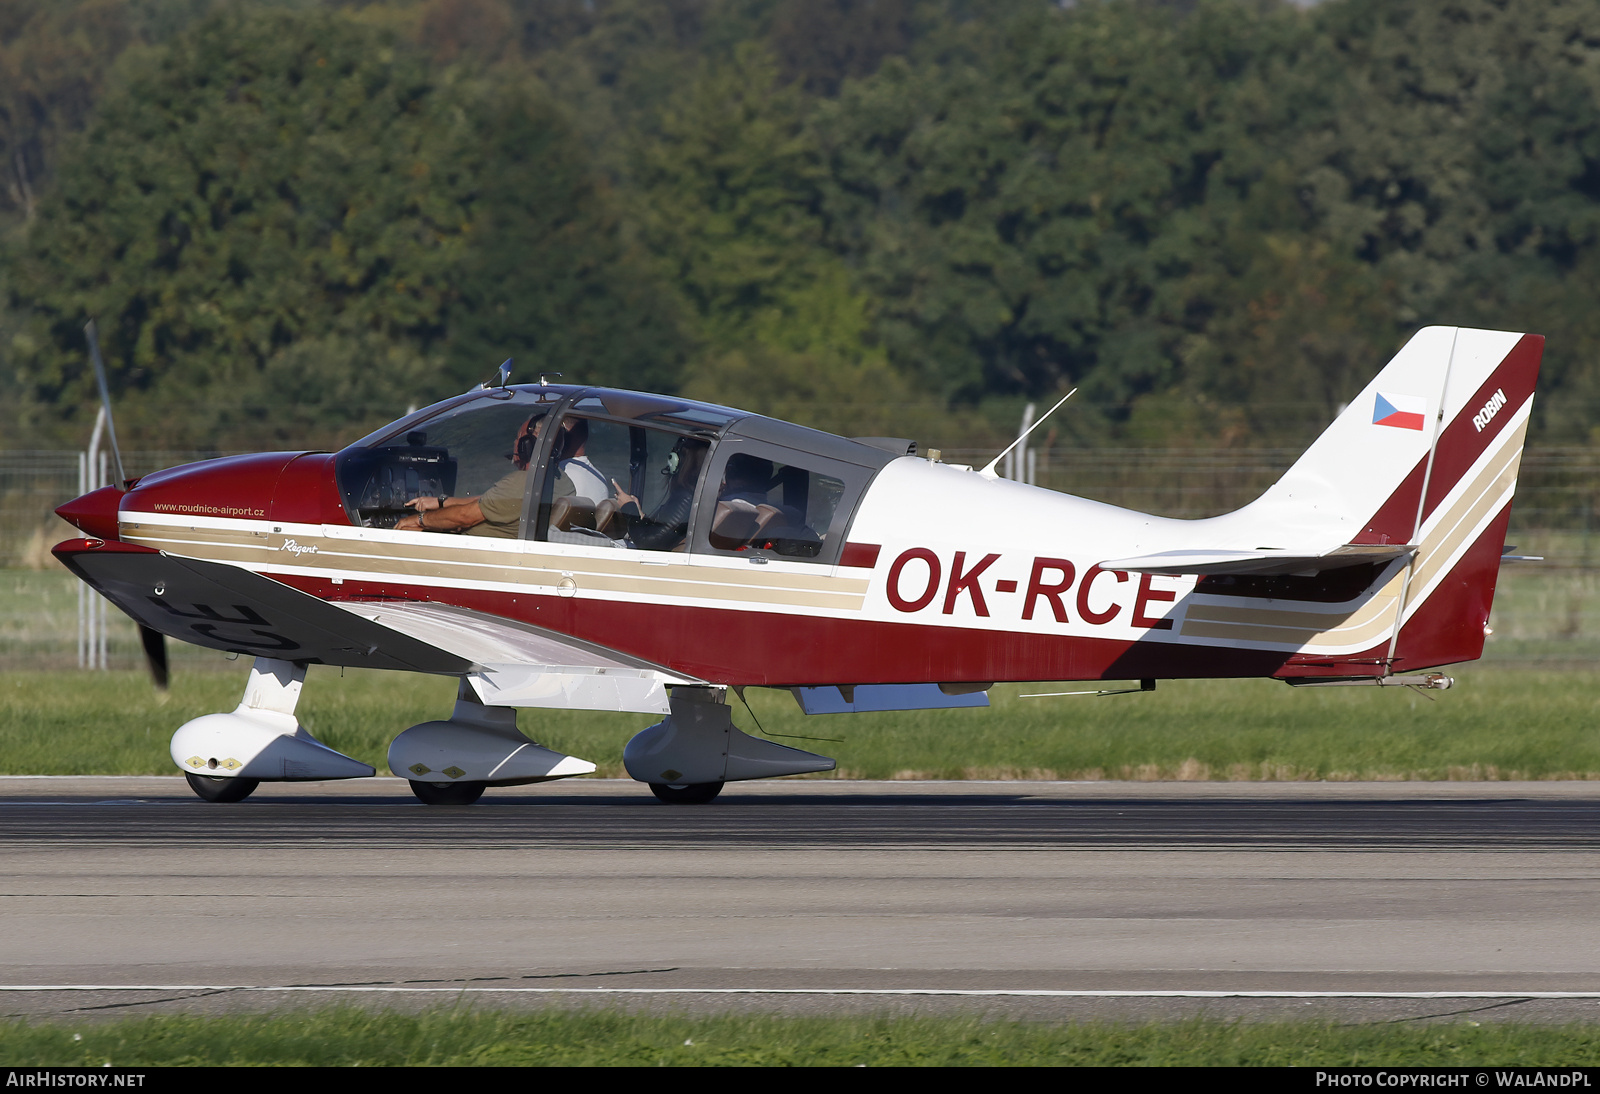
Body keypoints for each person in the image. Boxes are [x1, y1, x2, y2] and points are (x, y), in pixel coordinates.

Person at [398, 412, 543, 538]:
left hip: (474, 549)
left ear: (529, 444)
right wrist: (442, 502)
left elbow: (463, 517)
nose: (515, 442)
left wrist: (419, 519)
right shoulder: (552, 481)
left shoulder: (522, 482)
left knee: (406, 529)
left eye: (519, 438)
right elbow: (489, 501)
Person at [610, 437, 707, 551]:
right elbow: (660, 534)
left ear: (677, 461)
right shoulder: (690, 496)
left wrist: (629, 507)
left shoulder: (685, 498)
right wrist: (640, 514)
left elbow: (647, 543)